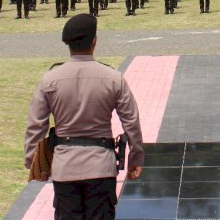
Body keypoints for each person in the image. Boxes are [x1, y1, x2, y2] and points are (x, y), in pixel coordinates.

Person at [24, 14, 144, 220]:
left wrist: (34, 163)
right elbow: (131, 122)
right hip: (101, 166)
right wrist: (135, 157)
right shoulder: (113, 78)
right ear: (94, 41)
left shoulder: (49, 79)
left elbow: (36, 126)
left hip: (65, 167)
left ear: (68, 44)